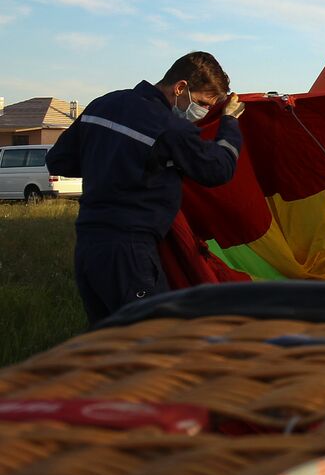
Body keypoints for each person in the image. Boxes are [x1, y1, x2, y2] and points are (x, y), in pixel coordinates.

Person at [46, 52, 245, 324]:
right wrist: (230, 123)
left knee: (107, 340)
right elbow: (218, 169)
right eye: (200, 103)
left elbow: (58, 160)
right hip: (129, 251)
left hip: (88, 246)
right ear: (180, 87)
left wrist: (108, 162)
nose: (199, 112)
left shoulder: (103, 105)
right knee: (149, 339)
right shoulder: (169, 128)